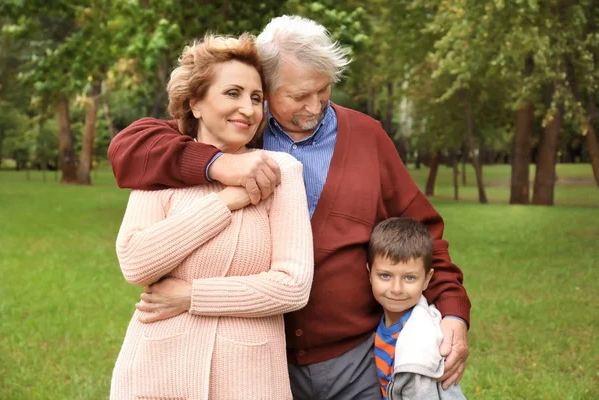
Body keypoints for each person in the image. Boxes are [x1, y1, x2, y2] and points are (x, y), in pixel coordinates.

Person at [108, 15, 471, 400]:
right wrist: (219, 165)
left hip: (354, 356)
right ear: (265, 87)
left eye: (324, 90)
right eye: (298, 96)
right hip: (264, 362)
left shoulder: (367, 137)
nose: (314, 106)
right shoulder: (240, 128)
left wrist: (452, 310)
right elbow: (130, 148)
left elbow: (425, 232)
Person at [109, 33, 314, 400]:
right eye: (232, 93)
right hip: (156, 373)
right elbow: (136, 263)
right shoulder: (161, 166)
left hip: (249, 380)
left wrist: (192, 295)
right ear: (196, 104)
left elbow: (292, 286)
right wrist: (225, 203)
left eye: (256, 98)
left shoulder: (279, 171)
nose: (248, 109)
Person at [368, 217, 466, 400]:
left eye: (409, 278)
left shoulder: (419, 346)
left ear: (427, 280)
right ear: (369, 274)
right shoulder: (386, 321)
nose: (396, 289)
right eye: (385, 275)